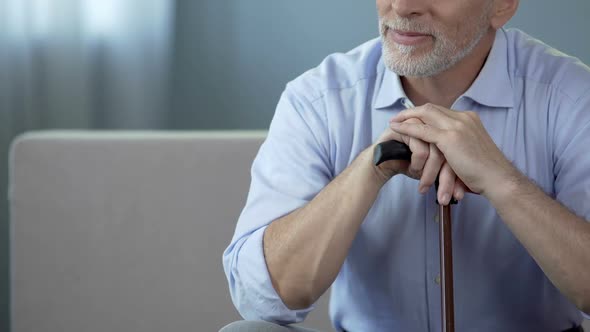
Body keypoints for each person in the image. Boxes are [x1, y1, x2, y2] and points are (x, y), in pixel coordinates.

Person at [221, 0, 590, 331]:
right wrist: (371, 167)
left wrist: (500, 178)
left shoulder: (573, 98)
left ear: (502, 5)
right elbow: (263, 299)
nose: (402, 5)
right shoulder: (318, 100)